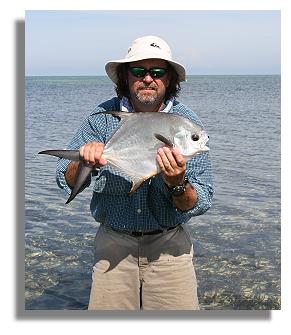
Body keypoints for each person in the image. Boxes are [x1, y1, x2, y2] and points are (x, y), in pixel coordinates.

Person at [56, 35, 213, 310]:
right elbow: (63, 178)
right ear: (125, 77)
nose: (148, 78)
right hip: (113, 246)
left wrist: (177, 183)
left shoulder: (187, 123)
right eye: (139, 71)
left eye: (158, 71)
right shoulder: (102, 116)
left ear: (170, 79)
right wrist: (84, 161)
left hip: (169, 248)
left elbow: (201, 199)